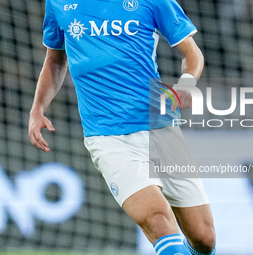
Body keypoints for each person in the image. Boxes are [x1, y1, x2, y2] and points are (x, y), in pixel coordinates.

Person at [28, 0, 216, 254]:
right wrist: (37, 108)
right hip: (107, 136)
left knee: (204, 239)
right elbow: (54, 60)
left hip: (160, 127)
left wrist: (185, 84)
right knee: (160, 222)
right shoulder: (59, 3)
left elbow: (192, 54)